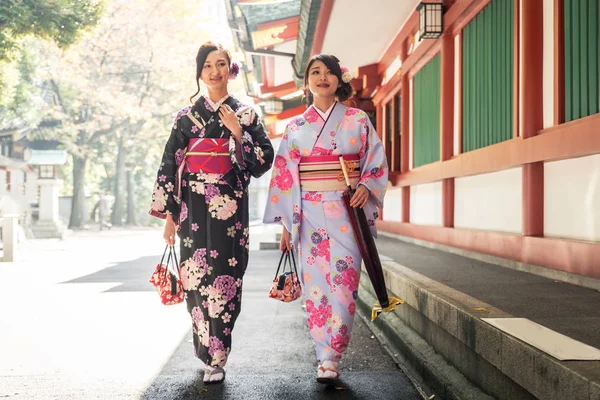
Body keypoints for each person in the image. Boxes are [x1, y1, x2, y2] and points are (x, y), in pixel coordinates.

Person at [149, 42, 274, 384]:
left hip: (228, 207)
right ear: (200, 72)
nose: (214, 71)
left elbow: (263, 158)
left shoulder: (246, 114)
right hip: (191, 204)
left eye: (221, 64)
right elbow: (170, 167)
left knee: (225, 278)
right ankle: (205, 350)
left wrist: (236, 132)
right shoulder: (185, 118)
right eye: (207, 66)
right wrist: (170, 219)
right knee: (194, 277)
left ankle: (218, 357)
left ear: (230, 69)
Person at [263, 54, 388, 384]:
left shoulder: (358, 120)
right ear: (306, 83)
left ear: (338, 80)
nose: (322, 77)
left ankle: (336, 349)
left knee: (345, 284)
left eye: (329, 72)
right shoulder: (295, 127)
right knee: (317, 286)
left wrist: (366, 184)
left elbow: (374, 160)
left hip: (347, 210)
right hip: (310, 214)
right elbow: (285, 178)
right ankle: (325, 358)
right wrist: (288, 226)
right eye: (315, 72)